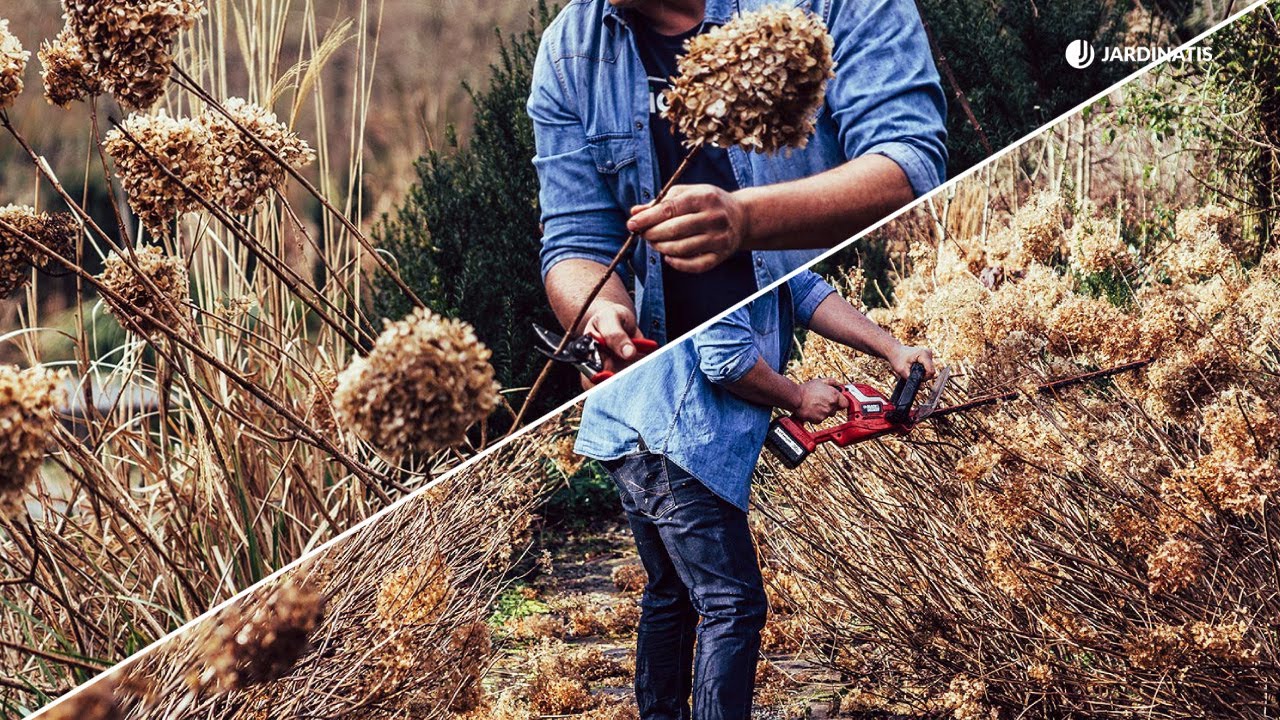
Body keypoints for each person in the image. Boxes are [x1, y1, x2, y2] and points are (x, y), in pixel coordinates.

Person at [574, 271, 935, 720]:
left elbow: (801, 290)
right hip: (679, 434)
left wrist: (893, 350)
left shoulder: (768, 243)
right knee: (733, 604)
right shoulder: (725, 245)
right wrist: (798, 396)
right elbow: (725, 359)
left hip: (630, 428)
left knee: (672, 592)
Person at [529, 0, 947, 373]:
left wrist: (746, 220)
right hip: (678, 372)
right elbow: (577, 243)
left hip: (812, 340)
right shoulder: (568, 52)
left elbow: (909, 167)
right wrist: (601, 316)